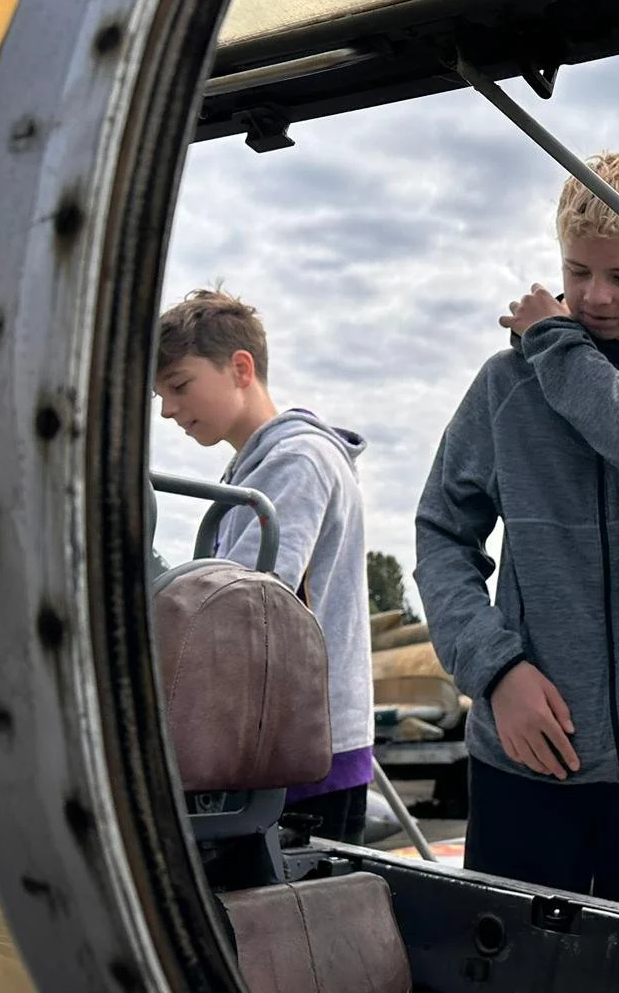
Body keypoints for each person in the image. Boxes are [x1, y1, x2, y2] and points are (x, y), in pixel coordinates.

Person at [414, 153, 619, 904]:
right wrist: (494, 671)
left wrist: (553, 342)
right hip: (527, 751)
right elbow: (440, 534)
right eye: (577, 270)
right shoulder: (504, 385)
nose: (594, 296)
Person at [154, 288, 375, 843]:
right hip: (294, 740)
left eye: (179, 386)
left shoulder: (293, 462)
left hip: (298, 754)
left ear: (240, 368)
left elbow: (245, 615)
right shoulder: (257, 469)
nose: (168, 410)